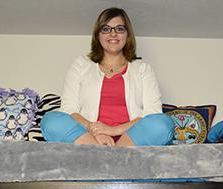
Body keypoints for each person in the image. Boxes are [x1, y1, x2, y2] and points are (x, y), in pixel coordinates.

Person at [41, 7, 174, 147]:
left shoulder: (143, 68)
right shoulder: (80, 65)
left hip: (130, 139)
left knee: (163, 123)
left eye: (120, 29)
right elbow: (69, 109)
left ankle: (117, 152)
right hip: (90, 137)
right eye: (106, 29)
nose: (113, 34)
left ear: (127, 34)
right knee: (50, 121)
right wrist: (97, 132)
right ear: (98, 35)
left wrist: (113, 130)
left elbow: (152, 112)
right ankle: (98, 151)